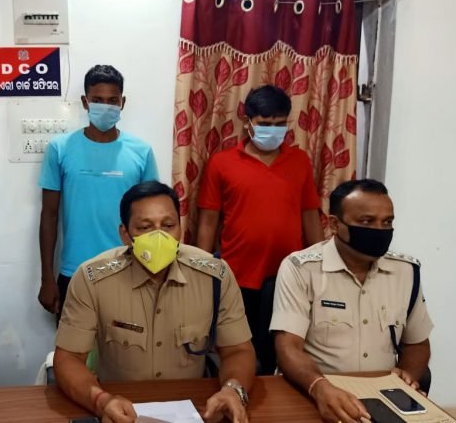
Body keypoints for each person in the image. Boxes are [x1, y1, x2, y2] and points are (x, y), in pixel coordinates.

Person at [54, 181, 255, 423]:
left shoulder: (215, 275)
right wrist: (100, 401)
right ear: (125, 235)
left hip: (196, 408)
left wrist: (233, 390)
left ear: (180, 228)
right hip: (120, 410)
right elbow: (68, 359)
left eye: (168, 225)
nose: (159, 236)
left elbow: (238, 351)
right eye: (145, 227)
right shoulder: (92, 279)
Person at [271, 179, 433, 423]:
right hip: (314, 390)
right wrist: (319, 387)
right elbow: (288, 348)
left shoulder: (406, 271)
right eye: (367, 222)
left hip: (382, 394)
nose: (379, 230)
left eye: (387, 222)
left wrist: (407, 378)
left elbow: (417, 344)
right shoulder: (301, 268)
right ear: (335, 224)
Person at [196, 85, 323, 373]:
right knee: (236, 351)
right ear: (247, 122)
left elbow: (310, 217)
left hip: (288, 277)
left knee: (277, 353)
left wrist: (320, 266)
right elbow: (208, 221)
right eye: (265, 123)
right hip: (237, 274)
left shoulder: (300, 161)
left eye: (280, 124)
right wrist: (202, 271)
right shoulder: (221, 163)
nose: (273, 130)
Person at [38, 64, 159, 319]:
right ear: (85, 102)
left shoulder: (141, 151)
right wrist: (47, 278)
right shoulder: (60, 149)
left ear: (122, 102)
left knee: (127, 343)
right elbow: (49, 215)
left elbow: (152, 220)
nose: (106, 107)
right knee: (72, 343)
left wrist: (153, 270)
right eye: (98, 100)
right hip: (75, 271)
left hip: (129, 270)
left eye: (112, 101)